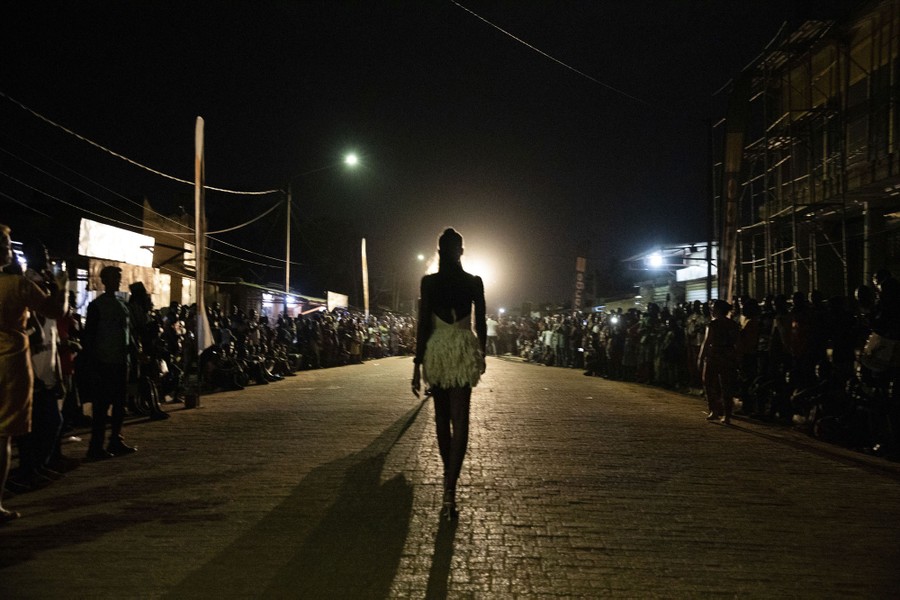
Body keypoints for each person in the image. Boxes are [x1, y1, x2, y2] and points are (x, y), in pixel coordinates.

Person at [412, 228, 486, 520]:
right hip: (462, 347)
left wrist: (417, 365)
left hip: (438, 350)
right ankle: (450, 490)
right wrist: (482, 354)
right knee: (461, 419)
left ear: (440, 252)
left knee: (441, 419)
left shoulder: (429, 282)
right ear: (462, 252)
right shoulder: (473, 282)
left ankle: (447, 480)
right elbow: (480, 322)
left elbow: (423, 325)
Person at [0, 224, 66, 523]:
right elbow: (55, 310)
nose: (9, 249)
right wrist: (60, 285)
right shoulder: (17, 285)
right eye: (5, 243)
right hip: (10, 361)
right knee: (4, 437)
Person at [81, 266, 137, 460]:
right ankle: (95, 446)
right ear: (104, 280)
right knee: (101, 407)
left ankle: (115, 439)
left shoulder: (122, 304)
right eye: (114, 277)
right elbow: (88, 337)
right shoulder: (96, 306)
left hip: (122, 361)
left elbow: (127, 332)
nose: (117, 281)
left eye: (119, 277)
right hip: (104, 361)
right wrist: (92, 364)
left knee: (120, 405)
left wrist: (132, 348)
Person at [698, 299, 741, 425]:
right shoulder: (732, 324)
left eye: (713, 308)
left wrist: (700, 358)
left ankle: (714, 410)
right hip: (728, 356)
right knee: (727, 385)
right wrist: (738, 358)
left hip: (715, 355)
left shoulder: (713, 324)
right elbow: (738, 343)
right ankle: (727, 415)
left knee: (709, 383)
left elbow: (706, 343)